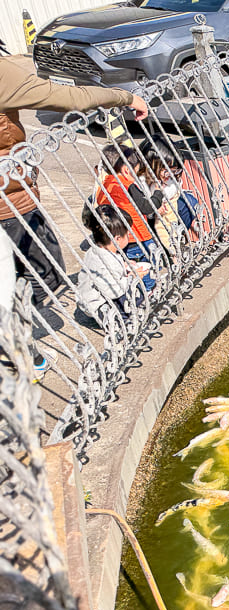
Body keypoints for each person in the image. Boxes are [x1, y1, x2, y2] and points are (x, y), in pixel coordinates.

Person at [0, 57, 148, 376]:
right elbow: (68, 97)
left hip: (13, 196)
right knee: (46, 274)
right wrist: (125, 97)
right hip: (9, 202)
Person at [95, 143, 163, 289]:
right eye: (136, 172)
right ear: (126, 170)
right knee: (149, 264)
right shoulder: (127, 186)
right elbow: (147, 207)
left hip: (118, 238)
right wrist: (158, 193)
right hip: (138, 236)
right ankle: (149, 290)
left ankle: (135, 291)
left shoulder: (104, 186)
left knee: (131, 267)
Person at [75, 205, 148, 326]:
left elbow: (112, 267)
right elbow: (115, 291)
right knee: (135, 298)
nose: (129, 236)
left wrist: (124, 265)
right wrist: (132, 277)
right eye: (127, 234)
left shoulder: (98, 250)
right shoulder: (105, 262)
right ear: (117, 239)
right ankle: (117, 321)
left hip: (97, 295)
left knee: (137, 296)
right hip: (97, 304)